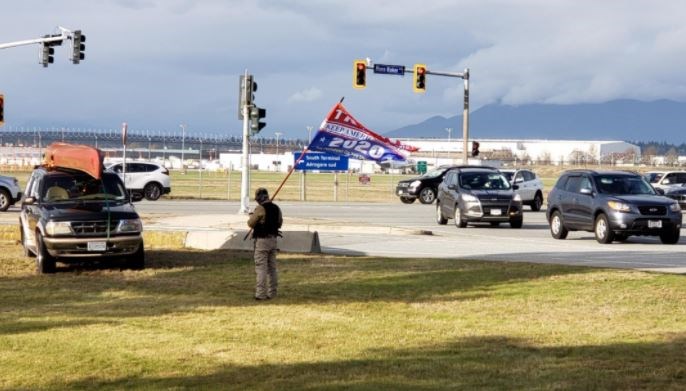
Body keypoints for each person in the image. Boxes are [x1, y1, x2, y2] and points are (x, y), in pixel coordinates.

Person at [247, 187, 283, 300]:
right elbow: (279, 223)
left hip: (262, 241)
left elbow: (250, 223)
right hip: (273, 240)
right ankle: (272, 293)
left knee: (261, 268)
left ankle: (261, 294)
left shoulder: (260, 208)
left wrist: (252, 216)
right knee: (272, 268)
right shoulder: (277, 208)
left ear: (259, 198)